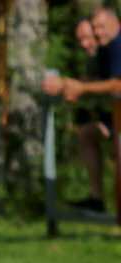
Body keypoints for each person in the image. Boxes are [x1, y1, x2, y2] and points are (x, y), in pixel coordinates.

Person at [51, 8, 121, 213]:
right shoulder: (106, 50)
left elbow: (117, 85)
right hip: (117, 117)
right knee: (87, 133)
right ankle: (96, 200)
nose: (97, 32)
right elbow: (104, 81)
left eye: (101, 26)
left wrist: (82, 89)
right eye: (95, 28)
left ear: (115, 22)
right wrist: (68, 85)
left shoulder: (118, 44)